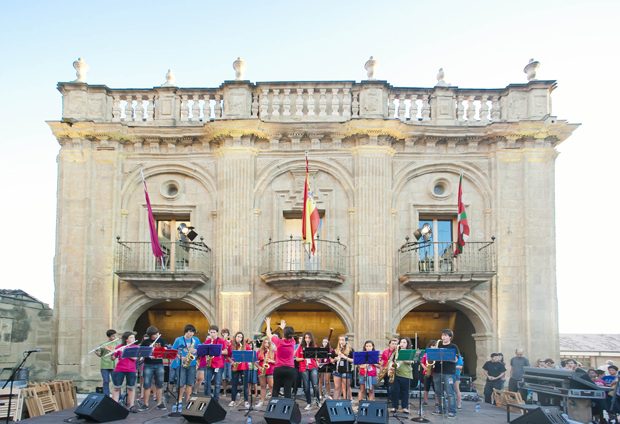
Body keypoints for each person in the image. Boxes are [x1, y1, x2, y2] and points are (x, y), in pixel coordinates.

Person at [171, 324, 200, 412]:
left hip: (192, 363)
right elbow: (173, 351)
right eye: (190, 332)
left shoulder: (196, 340)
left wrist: (196, 350)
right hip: (181, 364)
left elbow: (201, 350)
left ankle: (188, 400)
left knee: (190, 383)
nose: (192, 334)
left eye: (193, 332)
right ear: (186, 331)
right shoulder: (178, 339)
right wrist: (181, 357)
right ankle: (179, 400)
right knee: (181, 383)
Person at [432, 329, 460, 419]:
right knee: (438, 392)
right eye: (442, 335)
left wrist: (445, 356)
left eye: (445, 335)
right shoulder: (438, 346)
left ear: (450, 337)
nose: (443, 337)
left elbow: (455, 360)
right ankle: (441, 409)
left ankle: (452, 411)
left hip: (448, 372)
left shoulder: (453, 346)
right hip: (437, 371)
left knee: (450, 393)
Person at [265, 317, 296, 398]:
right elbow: (289, 336)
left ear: (283, 334)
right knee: (287, 391)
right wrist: (283, 328)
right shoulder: (293, 342)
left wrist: (268, 324)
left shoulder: (279, 342)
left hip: (279, 368)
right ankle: (287, 408)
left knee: (275, 389)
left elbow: (269, 334)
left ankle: (273, 407)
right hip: (290, 368)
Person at [138, 326, 167, 411]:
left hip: (159, 364)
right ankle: (146, 404)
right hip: (148, 365)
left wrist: (163, 349)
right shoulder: (145, 342)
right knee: (147, 385)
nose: (157, 335)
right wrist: (149, 348)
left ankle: (159, 403)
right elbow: (141, 354)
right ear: (151, 335)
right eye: (155, 334)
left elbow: (165, 350)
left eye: (157, 333)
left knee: (159, 384)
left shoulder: (161, 340)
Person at [111, 331, 138, 413]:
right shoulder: (119, 346)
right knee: (117, 387)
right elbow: (113, 358)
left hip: (131, 369)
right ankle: (114, 405)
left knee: (131, 388)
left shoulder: (135, 347)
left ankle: (131, 406)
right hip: (119, 369)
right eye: (131, 337)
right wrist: (112, 352)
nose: (133, 339)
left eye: (133, 337)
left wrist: (125, 352)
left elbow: (135, 358)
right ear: (126, 339)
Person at [199, 325, 227, 403]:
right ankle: (206, 399)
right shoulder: (207, 341)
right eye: (211, 332)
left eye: (214, 332)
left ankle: (215, 400)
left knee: (217, 384)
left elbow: (226, 351)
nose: (212, 334)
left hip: (219, 364)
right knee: (207, 382)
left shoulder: (221, 341)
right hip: (209, 364)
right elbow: (203, 352)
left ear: (217, 333)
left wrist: (218, 351)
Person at [296, 331, 320, 410]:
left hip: (312, 367)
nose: (307, 339)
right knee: (306, 386)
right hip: (303, 367)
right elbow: (297, 359)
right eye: (306, 338)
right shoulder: (300, 347)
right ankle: (308, 403)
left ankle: (318, 401)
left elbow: (318, 358)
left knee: (315, 385)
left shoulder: (314, 346)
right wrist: (304, 358)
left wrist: (317, 360)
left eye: (309, 338)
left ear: (311, 339)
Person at [390, 337, 413, 414]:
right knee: (395, 391)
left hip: (406, 374)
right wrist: (390, 369)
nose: (402, 344)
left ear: (407, 344)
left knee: (405, 391)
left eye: (404, 342)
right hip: (396, 373)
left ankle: (404, 407)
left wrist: (401, 357)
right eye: (401, 342)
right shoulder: (396, 351)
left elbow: (411, 362)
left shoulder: (409, 352)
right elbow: (392, 361)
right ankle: (394, 406)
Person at [94, 329, 120, 397]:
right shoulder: (103, 343)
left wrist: (107, 348)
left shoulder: (117, 343)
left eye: (115, 336)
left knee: (116, 382)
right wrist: (96, 352)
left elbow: (116, 352)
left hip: (114, 365)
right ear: (109, 337)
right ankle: (106, 396)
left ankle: (118, 397)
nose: (115, 337)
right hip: (105, 365)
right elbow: (100, 355)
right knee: (106, 381)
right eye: (113, 336)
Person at [229, 332, 251, 408]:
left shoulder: (246, 346)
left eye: (241, 337)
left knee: (245, 384)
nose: (239, 338)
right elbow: (228, 356)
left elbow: (249, 355)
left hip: (244, 367)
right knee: (234, 384)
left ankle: (246, 401)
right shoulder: (231, 346)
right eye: (238, 337)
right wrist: (232, 362)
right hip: (235, 367)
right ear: (235, 337)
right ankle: (233, 400)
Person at [331, 335, 354, 401]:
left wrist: (345, 357)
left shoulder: (350, 350)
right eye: (340, 340)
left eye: (343, 340)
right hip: (337, 370)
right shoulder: (336, 349)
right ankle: (334, 402)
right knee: (337, 387)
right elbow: (331, 360)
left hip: (346, 370)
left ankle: (346, 402)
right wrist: (334, 360)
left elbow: (353, 360)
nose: (341, 341)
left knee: (346, 387)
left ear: (346, 341)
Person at [257, 337, 275, 407]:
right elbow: (255, 361)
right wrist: (259, 367)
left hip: (270, 370)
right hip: (262, 370)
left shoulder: (273, 352)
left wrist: (270, 361)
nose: (266, 344)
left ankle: (273, 401)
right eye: (265, 342)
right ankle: (262, 401)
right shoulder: (259, 352)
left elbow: (277, 362)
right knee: (262, 386)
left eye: (268, 343)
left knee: (271, 386)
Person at [420, 340, 436, 408]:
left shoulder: (437, 355)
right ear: (429, 346)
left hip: (435, 373)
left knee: (436, 388)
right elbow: (422, 362)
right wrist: (425, 368)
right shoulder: (425, 354)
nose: (434, 347)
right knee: (426, 387)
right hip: (427, 372)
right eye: (433, 346)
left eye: (435, 346)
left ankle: (437, 402)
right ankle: (425, 401)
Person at [220, 329, 232, 396]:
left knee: (230, 376)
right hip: (223, 361)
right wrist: (224, 340)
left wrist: (229, 343)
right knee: (223, 377)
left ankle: (232, 389)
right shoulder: (220, 340)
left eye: (226, 333)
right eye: (223, 333)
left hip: (229, 360)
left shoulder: (231, 340)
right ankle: (225, 390)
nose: (225, 334)